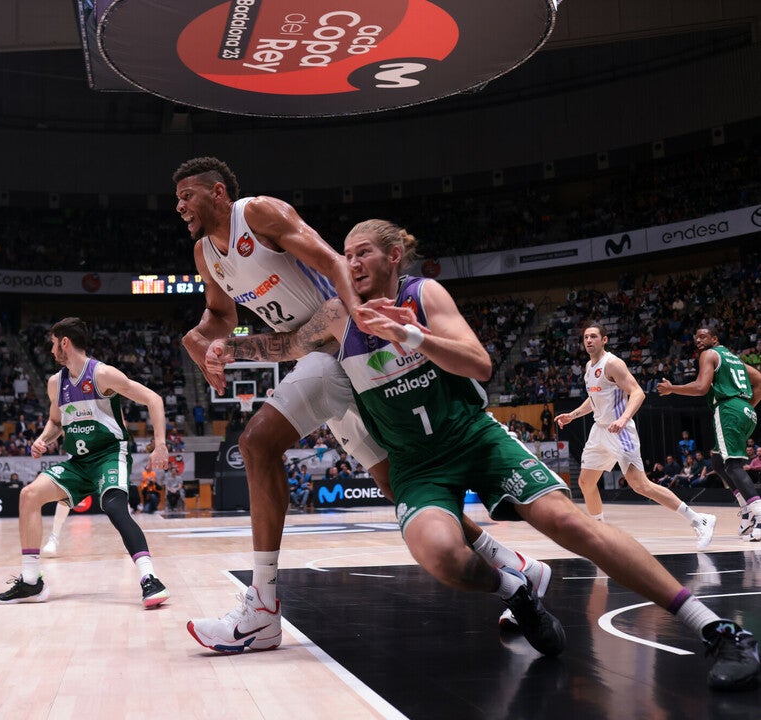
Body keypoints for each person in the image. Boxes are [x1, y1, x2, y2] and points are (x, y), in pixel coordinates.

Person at [209, 218, 759, 688]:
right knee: (441, 555)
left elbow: (479, 364)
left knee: (573, 526)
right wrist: (225, 348)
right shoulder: (336, 316)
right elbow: (283, 345)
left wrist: (416, 338)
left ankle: (718, 630)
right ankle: (517, 591)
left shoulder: (422, 296)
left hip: (474, 438)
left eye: (363, 253)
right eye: (346, 255)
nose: (351, 263)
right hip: (418, 465)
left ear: (393, 256)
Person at [176, 158, 551, 655]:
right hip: (318, 354)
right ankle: (517, 568)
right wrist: (202, 338)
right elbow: (222, 315)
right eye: (177, 198)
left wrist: (357, 322)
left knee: (256, 442)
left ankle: (262, 608)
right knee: (395, 482)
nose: (179, 206)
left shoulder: (259, 214)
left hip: (342, 343)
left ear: (218, 192)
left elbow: (333, 262)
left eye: (187, 195)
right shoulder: (206, 254)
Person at [0, 317, 171, 608]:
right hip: (78, 461)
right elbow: (55, 421)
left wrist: (160, 443)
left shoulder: (103, 374)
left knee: (113, 506)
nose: (50, 351)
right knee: (29, 495)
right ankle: (30, 582)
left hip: (109, 454)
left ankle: (150, 579)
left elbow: (153, 399)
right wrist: (43, 439)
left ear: (65, 342)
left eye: (53, 343)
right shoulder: (55, 383)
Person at [554, 324, 715, 548]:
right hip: (599, 431)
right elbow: (593, 399)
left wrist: (623, 419)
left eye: (593, 336)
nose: (589, 340)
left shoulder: (613, 363)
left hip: (620, 432)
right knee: (585, 481)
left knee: (641, 485)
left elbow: (637, 392)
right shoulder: (589, 368)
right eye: (586, 337)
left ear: (604, 340)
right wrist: (573, 415)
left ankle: (699, 519)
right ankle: (601, 535)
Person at [658, 323, 761, 542]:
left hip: (728, 410)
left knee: (732, 465)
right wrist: (746, 406)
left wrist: (672, 389)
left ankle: (759, 515)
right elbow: (760, 380)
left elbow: (701, 387)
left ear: (715, 339)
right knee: (716, 461)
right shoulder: (735, 359)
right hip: (746, 411)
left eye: (703, 336)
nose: (698, 340)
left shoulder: (709, 354)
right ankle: (745, 510)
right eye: (696, 337)